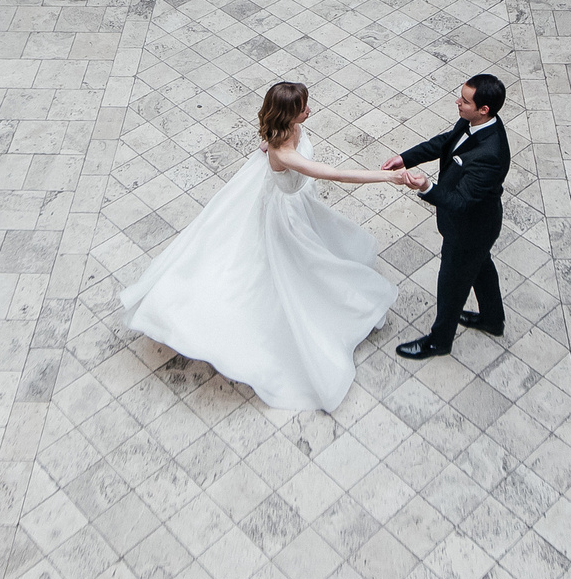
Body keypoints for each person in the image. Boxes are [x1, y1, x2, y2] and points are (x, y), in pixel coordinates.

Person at [120, 82, 406, 412]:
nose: (309, 111)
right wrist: (388, 178)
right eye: (303, 108)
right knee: (283, 268)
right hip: (283, 211)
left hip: (293, 199)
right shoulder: (283, 152)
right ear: (288, 114)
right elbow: (336, 175)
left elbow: (267, 145)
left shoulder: (284, 129)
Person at [381, 74, 512, 359]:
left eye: (464, 101)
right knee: (481, 266)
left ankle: (439, 342)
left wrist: (426, 187)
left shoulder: (490, 153)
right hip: (476, 226)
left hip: (470, 231)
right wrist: (406, 158)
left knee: (452, 285)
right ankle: (492, 319)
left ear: (484, 109)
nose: (457, 103)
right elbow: (445, 143)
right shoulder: (473, 122)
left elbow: (461, 202)